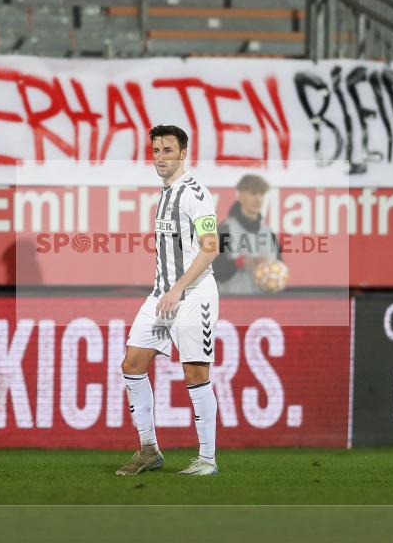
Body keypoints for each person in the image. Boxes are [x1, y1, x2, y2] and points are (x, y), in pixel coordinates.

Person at [116, 124, 221, 477]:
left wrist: (178, 289)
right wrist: (167, 290)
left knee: (195, 372)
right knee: (132, 363)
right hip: (162, 295)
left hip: (192, 295)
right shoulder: (165, 193)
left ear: (183, 152)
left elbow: (211, 247)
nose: (161, 157)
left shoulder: (195, 193)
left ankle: (207, 460)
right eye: (156, 150)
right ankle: (149, 451)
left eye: (168, 150)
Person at [214, 174, 283, 295]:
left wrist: (270, 271)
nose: (258, 199)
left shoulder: (269, 234)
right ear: (240, 196)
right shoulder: (225, 230)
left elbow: (280, 273)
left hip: (264, 305)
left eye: (261, 194)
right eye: (252, 193)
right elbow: (214, 269)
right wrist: (241, 262)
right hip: (231, 304)